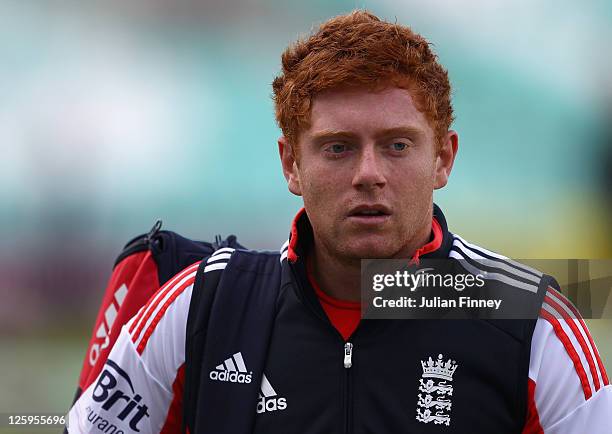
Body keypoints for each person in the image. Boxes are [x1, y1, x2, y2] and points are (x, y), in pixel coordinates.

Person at [67, 10, 611, 433]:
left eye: (397, 145)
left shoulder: (535, 322)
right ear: (291, 164)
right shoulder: (198, 306)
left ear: (443, 158)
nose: (369, 174)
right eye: (337, 148)